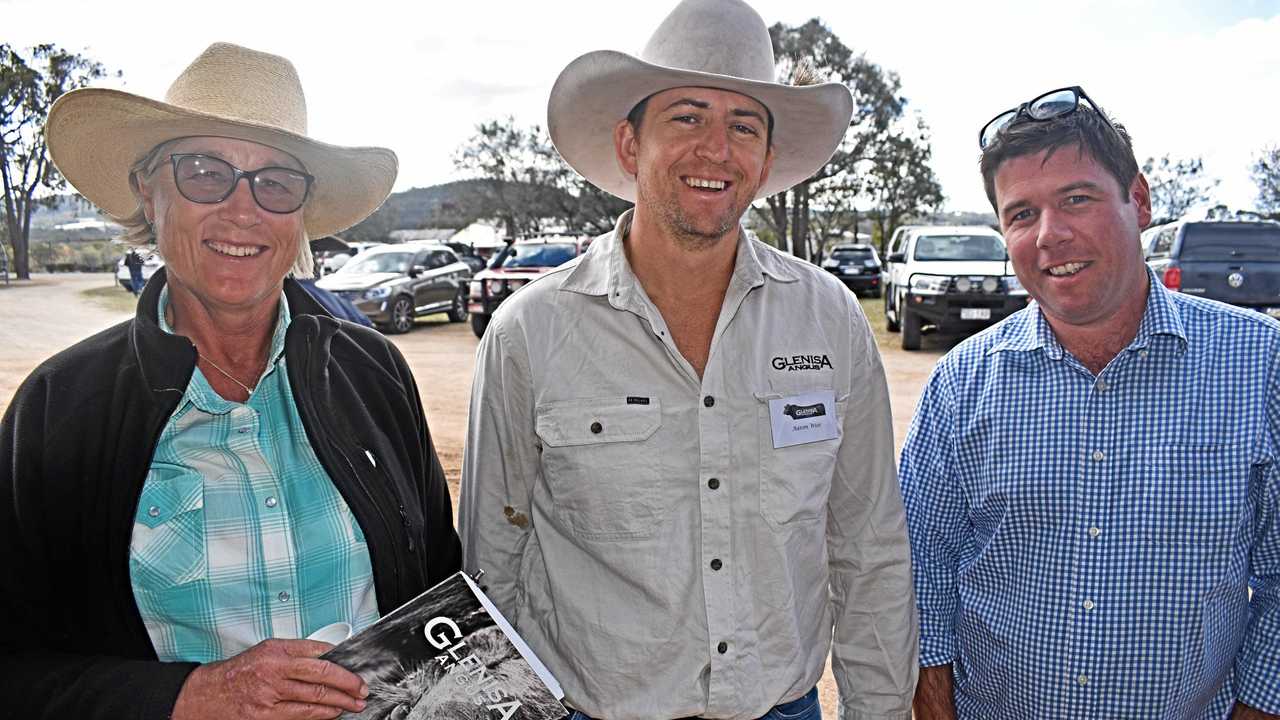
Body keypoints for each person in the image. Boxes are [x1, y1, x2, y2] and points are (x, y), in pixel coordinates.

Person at [459, 1, 918, 719]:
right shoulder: (530, 333)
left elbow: (868, 552)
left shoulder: (830, 320)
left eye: (744, 126)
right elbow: (492, 567)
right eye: (687, 117)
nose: (716, 148)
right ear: (627, 143)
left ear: (766, 162)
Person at [0, 43, 461, 720]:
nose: (243, 210)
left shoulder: (375, 374)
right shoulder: (62, 407)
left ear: (300, 214)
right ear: (148, 192)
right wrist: (187, 695)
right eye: (205, 172)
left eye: (275, 182)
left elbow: (438, 597)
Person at [901, 86, 1280, 719]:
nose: (1050, 234)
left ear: (1139, 199)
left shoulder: (1260, 363)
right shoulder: (959, 385)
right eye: (1021, 214)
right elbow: (922, 574)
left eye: (1076, 198)